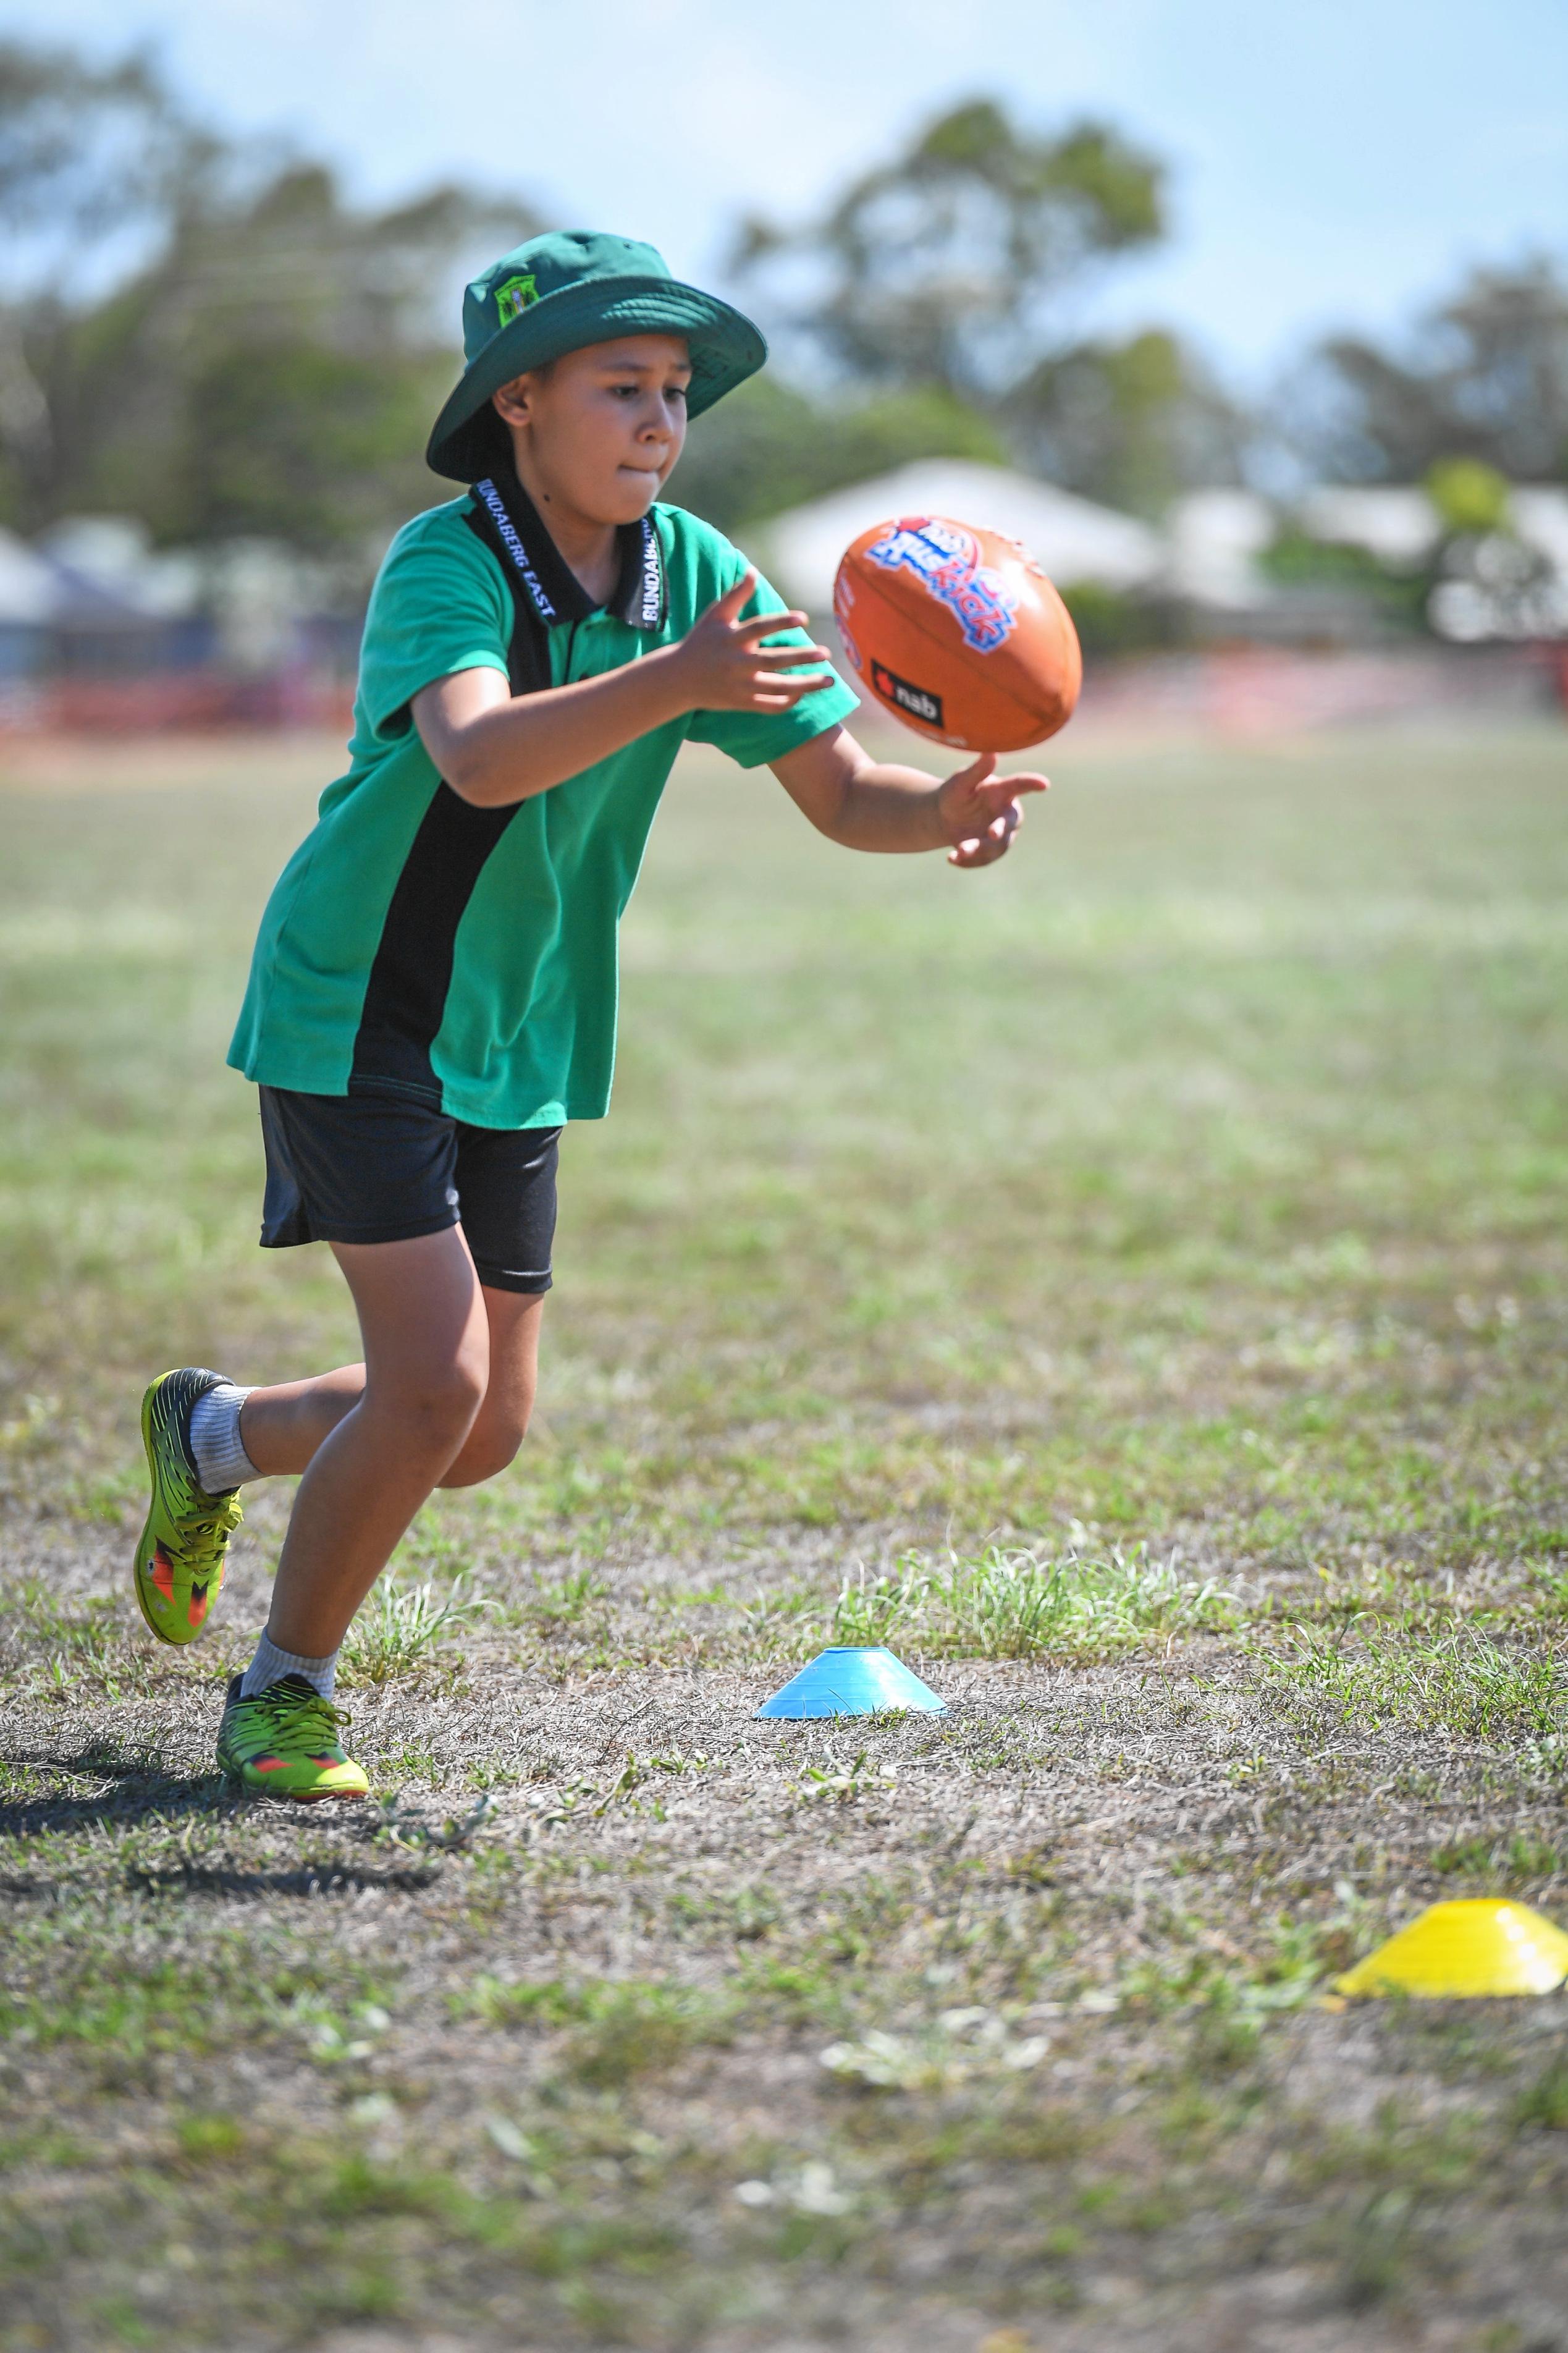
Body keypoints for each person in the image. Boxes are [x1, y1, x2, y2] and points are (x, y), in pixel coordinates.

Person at [131, 231, 1048, 1801]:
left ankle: (213, 1434)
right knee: (434, 1384)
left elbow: (839, 790)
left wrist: (941, 808)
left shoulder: (702, 571)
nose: (658, 422)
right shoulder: (451, 559)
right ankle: (283, 1691)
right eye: (621, 386)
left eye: (677, 393)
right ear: (520, 405)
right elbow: (480, 756)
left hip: (524, 1029)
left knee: (478, 1426)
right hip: (362, 1004)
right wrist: (682, 677)